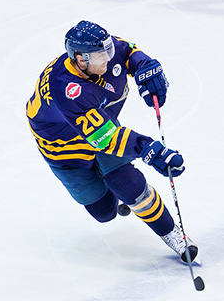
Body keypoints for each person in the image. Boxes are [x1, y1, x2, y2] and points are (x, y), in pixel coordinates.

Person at [25, 20, 198, 263]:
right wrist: (148, 149)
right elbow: (106, 138)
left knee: (128, 184)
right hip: (63, 145)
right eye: (101, 55)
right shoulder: (67, 89)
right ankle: (106, 183)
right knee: (105, 212)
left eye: (108, 50)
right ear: (81, 59)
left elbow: (129, 52)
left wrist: (146, 67)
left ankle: (171, 233)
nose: (108, 57)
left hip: (98, 123)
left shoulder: (104, 51)